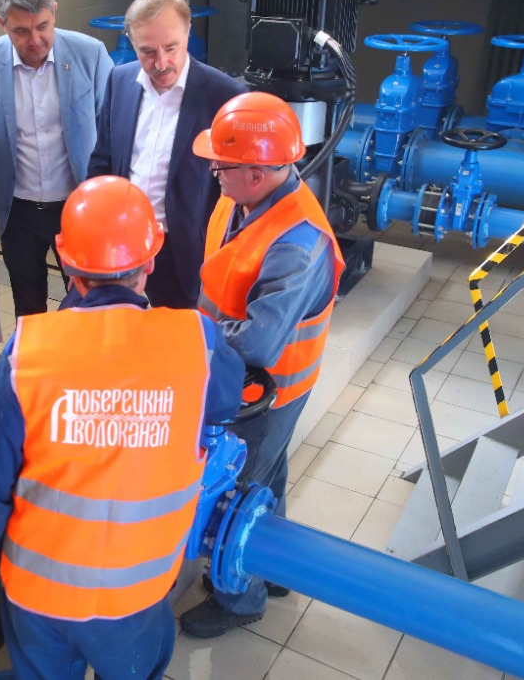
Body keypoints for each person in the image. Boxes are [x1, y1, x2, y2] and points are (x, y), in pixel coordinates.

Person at [0, 176, 244, 679]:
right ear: (151, 260)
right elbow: (223, 402)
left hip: (37, 594)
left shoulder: (28, 353)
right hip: (135, 598)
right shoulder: (196, 342)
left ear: (66, 262)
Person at [178, 92, 345, 639]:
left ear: (255, 172)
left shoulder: (297, 243)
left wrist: (187, 334)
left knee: (237, 487)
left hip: (268, 389)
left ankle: (238, 598)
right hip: (247, 385)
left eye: (220, 166)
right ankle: (274, 566)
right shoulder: (244, 199)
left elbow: (258, 343)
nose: (213, 172)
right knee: (268, 473)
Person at [88, 0, 245, 310]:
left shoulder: (225, 96)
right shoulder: (118, 80)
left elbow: (239, 190)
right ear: (132, 42)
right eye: (147, 51)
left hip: (185, 252)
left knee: (178, 333)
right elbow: (102, 161)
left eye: (171, 48)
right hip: (124, 243)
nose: (161, 63)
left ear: (188, 34)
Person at [0, 0, 114, 316]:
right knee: (28, 308)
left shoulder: (90, 54)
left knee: (86, 306)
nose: (34, 40)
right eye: (20, 31)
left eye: (42, 26)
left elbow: (110, 125)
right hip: (17, 212)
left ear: (55, 12)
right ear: (2, 23)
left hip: (77, 208)